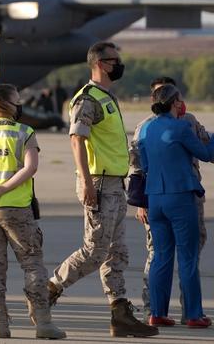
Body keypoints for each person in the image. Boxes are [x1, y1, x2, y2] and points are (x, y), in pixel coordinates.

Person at [45, 42, 157, 337]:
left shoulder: (106, 97)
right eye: (116, 61)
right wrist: (85, 182)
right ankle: (47, 290)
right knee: (95, 250)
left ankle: (120, 314)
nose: (120, 65)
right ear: (101, 64)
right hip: (98, 182)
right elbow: (76, 139)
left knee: (116, 253)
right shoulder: (88, 99)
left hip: (114, 184)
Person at [0, 83, 65, 339]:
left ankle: (0, 323)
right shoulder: (23, 132)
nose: (19, 105)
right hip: (15, 206)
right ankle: (43, 322)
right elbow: (30, 168)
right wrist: (3, 189)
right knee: (32, 264)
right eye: (16, 100)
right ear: (5, 103)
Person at [130, 75, 209, 314]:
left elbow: (140, 165)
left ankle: (157, 313)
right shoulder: (182, 126)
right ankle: (193, 314)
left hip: (155, 198)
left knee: (161, 257)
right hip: (181, 197)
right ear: (175, 102)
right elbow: (205, 152)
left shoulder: (145, 129)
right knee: (187, 257)